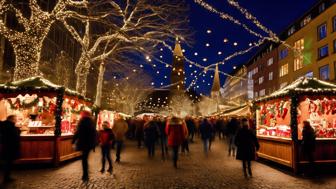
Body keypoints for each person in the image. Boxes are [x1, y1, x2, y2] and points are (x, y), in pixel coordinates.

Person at [72, 111, 97, 182]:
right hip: (89, 144)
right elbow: (94, 134)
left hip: (83, 142)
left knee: (84, 159)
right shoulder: (92, 122)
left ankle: (85, 174)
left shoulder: (82, 121)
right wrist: (94, 143)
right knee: (85, 158)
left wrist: (73, 141)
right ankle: (86, 174)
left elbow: (78, 132)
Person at [0, 115, 20, 183]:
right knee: (8, 163)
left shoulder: (4, 124)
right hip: (10, 147)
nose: (16, 120)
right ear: (12, 119)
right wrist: (18, 130)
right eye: (15, 119)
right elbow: (15, 136)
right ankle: (6, 178)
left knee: (7, 162)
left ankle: (6, 177)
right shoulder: (11, 126)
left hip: (6, 146)